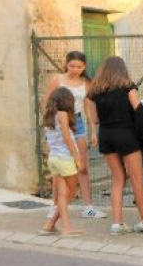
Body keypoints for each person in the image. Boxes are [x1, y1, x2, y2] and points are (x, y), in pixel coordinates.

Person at [87, 56, 143, 234]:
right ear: (122, 70)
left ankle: (117, 224)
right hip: (126, 136)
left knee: (117, 179)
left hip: (106, 136)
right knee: (137, 179)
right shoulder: (128, 87)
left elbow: (95, 119)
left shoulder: (93, 92)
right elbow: (139, 111)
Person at [42, 51, 105, 219]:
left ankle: (88, 207)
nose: (75, 69)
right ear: (66, 64)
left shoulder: (86, 83)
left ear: (84, 67)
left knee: (82, 165)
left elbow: (87, 107)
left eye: (79, 66)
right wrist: (48, 134)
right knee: (58, 170)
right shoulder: (58, 80)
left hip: (77, 122)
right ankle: (55, 206)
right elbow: (46, 105)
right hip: (57, 120)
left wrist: (92, 130)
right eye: (72, 66)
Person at [38, 87, 84, 237]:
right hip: (65, 160)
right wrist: (77, 158)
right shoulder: (63, 114)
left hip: (54, 159)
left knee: (62, 196)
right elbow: (67, 137)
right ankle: (60, 226)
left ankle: (52, 226)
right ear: (67, 101)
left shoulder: (48, 116)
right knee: (70, 194)